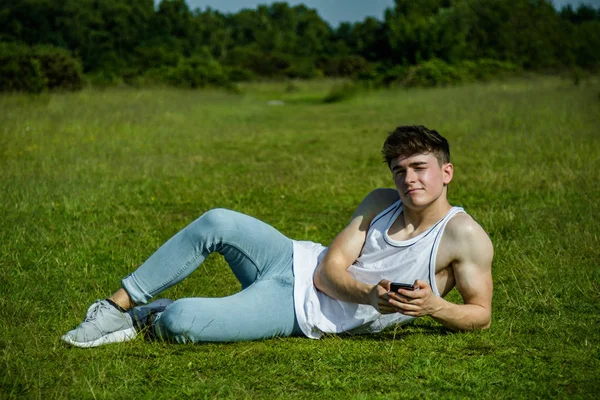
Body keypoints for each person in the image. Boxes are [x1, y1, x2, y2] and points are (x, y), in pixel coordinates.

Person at [62, 125, 493, 348]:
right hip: (292, 260)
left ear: (446, 172)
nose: (408, 178)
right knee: (218, 220)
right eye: (400, 170)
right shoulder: (381, 200)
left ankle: (152, 316)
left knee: (179, 323)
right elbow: (327, 272)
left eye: (419, 167)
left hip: (298, 312)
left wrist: (435, 306)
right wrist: (370, 296)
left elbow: (481, 314)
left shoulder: (465, 237)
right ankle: (115, 308)